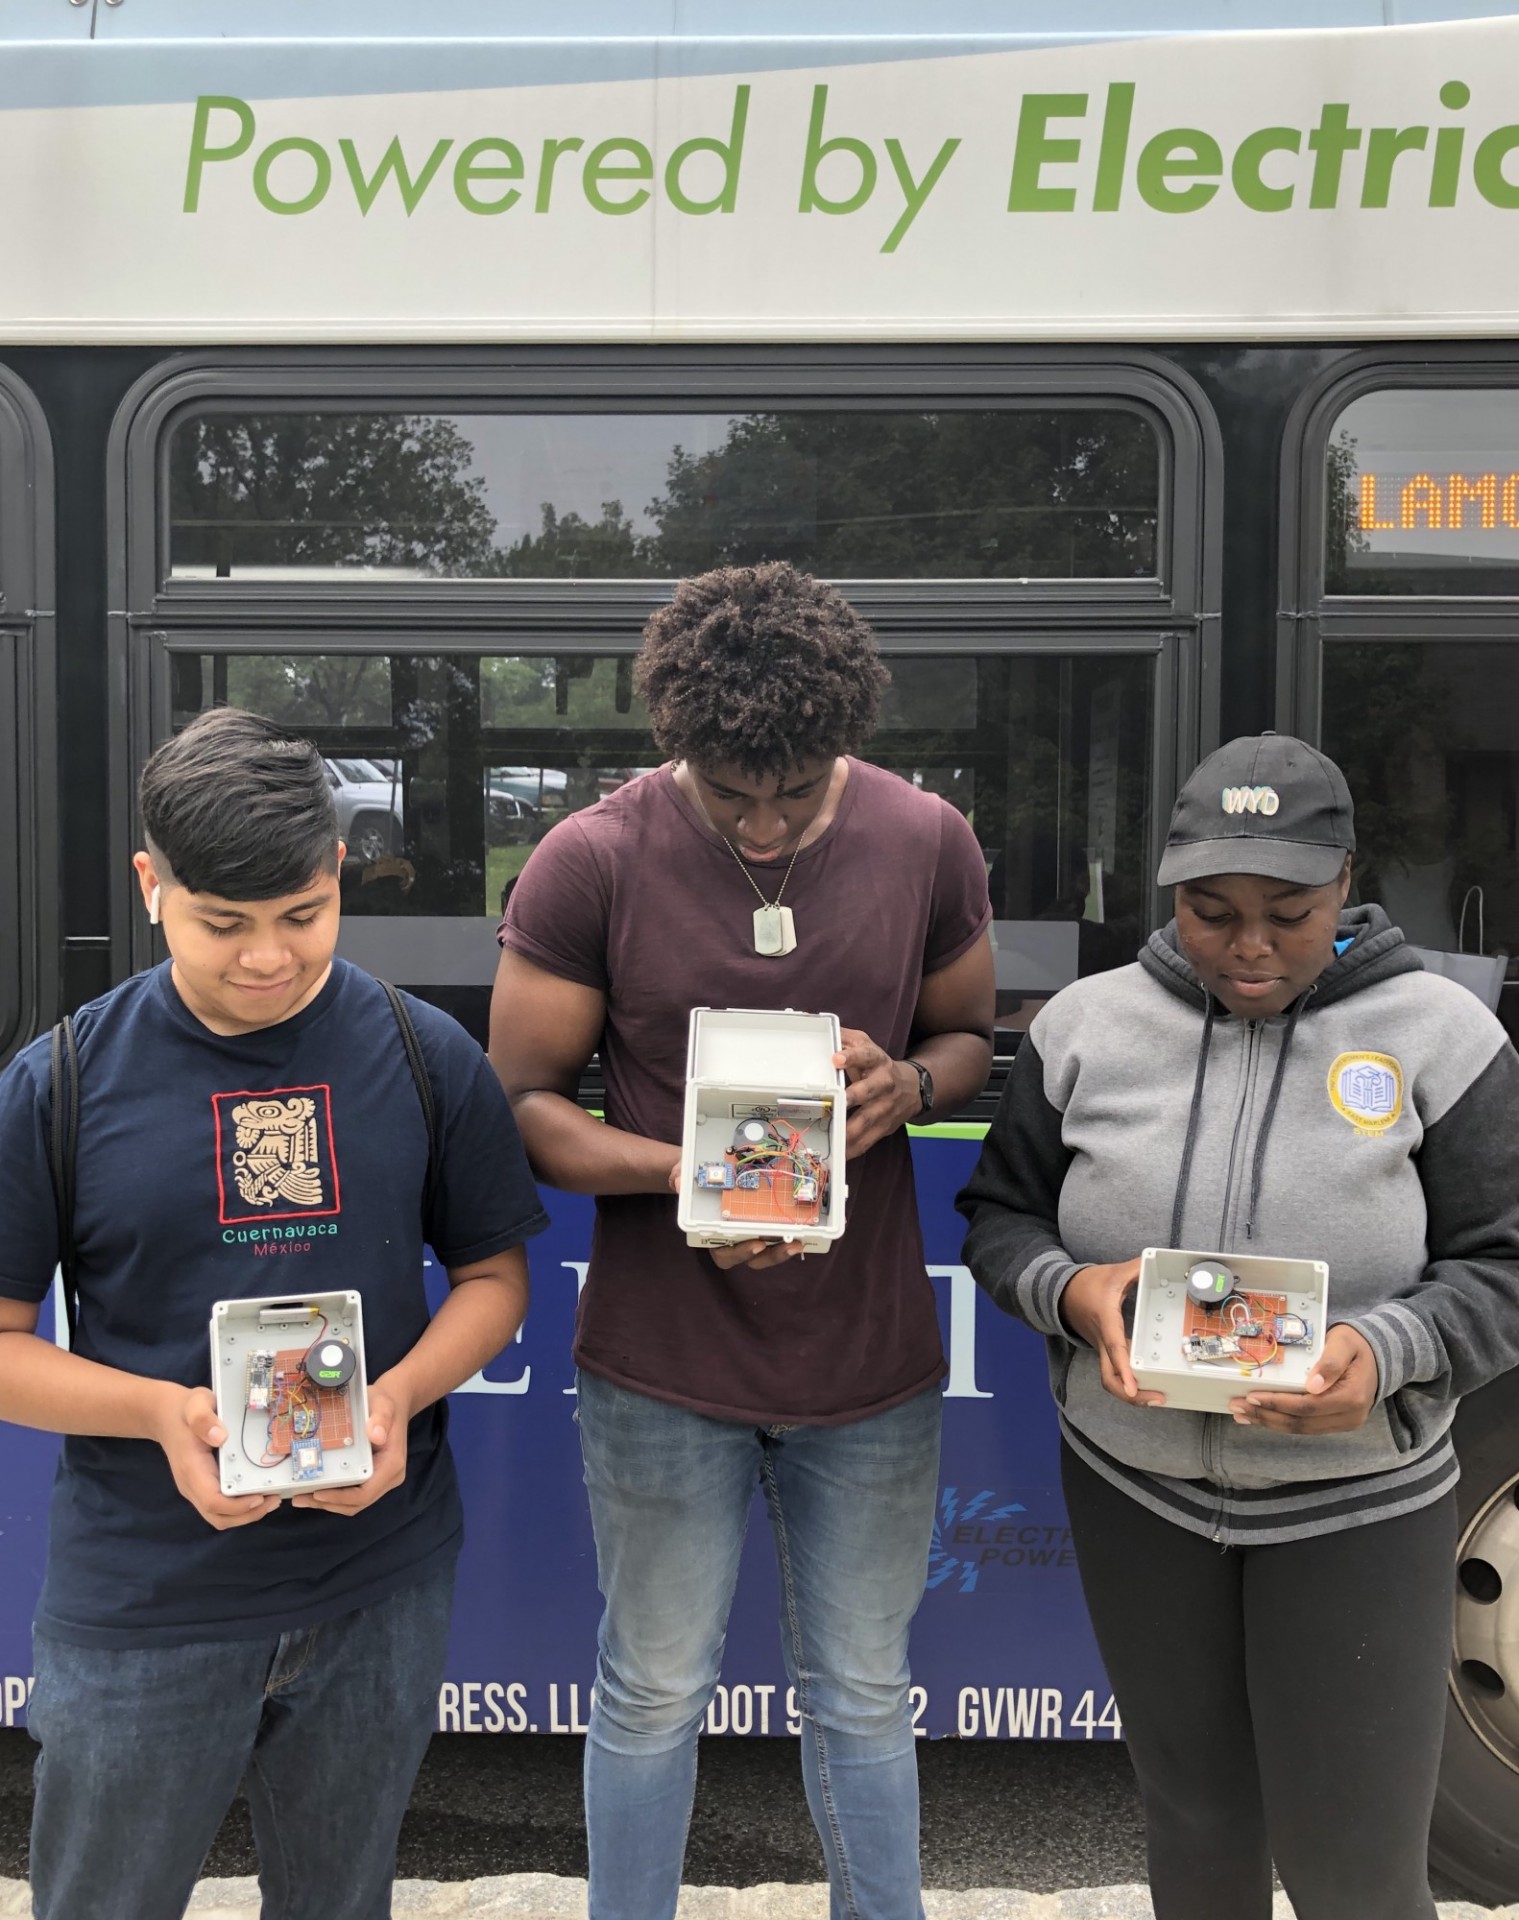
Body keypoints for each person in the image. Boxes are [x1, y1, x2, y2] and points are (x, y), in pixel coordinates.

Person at [489, 561, 994, 1920]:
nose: (766, 821)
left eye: (796, 786)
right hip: (659, 1361)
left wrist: (917, 1082)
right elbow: (523, 1106)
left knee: (863, 1692)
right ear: (678, 748)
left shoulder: (925, 838)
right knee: (650, 1684)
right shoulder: (590, 856)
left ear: (845, 739)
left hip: (871, 1360)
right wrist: (684, 1181)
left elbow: (964, 1036)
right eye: (731, 794)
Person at [957, 733, 1519, 1920]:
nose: (1249, 947)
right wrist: (1069, 1291)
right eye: (1210, 912)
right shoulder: (1082, 1029)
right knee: (1197, 1834)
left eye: (1289, 911)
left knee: (1354, 1871)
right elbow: (1000, 1220)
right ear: (1169, 888)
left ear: (1347, 881)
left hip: (1358, 1506)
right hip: (1136, 1493)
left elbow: (1503, 1267)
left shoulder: (1444, 1038)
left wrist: (1387, 1354)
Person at [0, 708, 548, 1920]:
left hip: (378, 1584)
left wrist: (399, 1397)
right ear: (152, 887)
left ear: (338, 872)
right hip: (147, 1600)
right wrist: (162, 1416)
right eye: (223, 925)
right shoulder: (61, 1085)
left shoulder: (423, 1053)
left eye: (300, 917)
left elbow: (496, 1282)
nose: (267, 959)